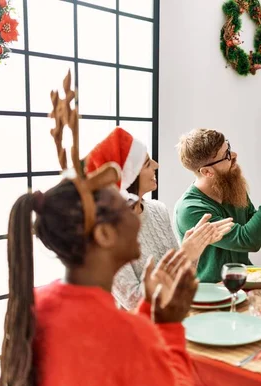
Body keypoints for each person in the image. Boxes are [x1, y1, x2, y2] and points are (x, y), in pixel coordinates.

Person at [0, 173, 200, 386]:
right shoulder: (130, 335)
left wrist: (147, 306)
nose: (137, 213)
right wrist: (170, 326)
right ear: (104, 234)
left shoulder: (36, 301)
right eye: (128, 205)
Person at [86, 127, 233, 309]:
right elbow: (134, 303)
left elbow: (181, 282)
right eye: (147, 164)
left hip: (174, 315)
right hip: (137, 331)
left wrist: (194, 251)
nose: (156, 165)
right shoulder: (106, 236)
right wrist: (184, 256)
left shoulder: (158, 210)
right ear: (128, 178)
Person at [174, 128, 261, 282]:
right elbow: (248, 240)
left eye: (229, 147)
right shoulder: (191, 209)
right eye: (226, 155)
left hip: (244, 279)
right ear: (207, 171)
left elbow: (254, 229)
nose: (234, 155)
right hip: (213, 290)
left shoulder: (230, 187)